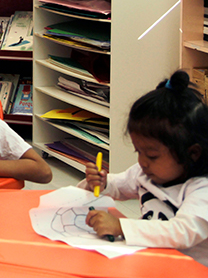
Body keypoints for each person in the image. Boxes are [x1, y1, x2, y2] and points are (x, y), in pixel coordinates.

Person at [82, 70, 208, 265]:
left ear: (193, 153)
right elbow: (120, 185)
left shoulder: (202, 190)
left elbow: (182, 232)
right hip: (151, 263)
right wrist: (103, 182)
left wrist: (122, 227)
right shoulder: (147, 173)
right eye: (138, 152)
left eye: (152, 155)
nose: (142, 162)